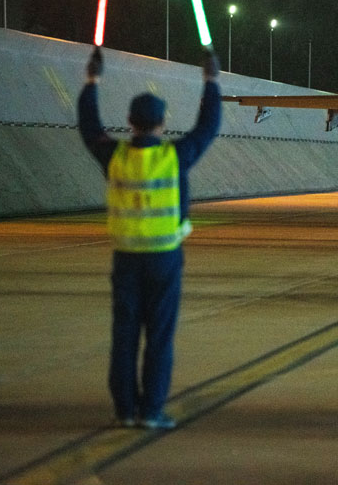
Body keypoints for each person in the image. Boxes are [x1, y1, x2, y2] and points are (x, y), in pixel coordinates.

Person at [78, 46, 221, 429]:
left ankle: (125, 410)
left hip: (125, 257)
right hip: (164, 258)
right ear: (162, 122)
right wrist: (211, 81)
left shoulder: (116, 157)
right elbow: (208, 127)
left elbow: (89, 126)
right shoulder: (175, 156)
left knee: (123, 336)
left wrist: (92, 81)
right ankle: (152, 411)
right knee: (159, 338)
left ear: (129, 121)